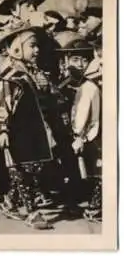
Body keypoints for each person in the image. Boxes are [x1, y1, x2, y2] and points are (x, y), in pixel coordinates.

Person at [0, 19, 58, 230]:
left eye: (37, 45)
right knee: (22, 170)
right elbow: (0, 104)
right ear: (17, 48)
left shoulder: (32, 73)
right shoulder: (11, 77)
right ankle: (32, 212)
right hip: (17, 131)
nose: (36, 50)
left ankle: (9, 203)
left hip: (33, 129)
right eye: (32, 46)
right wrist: (2, 129)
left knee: (32, 169)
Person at [53, 31, 96, 216]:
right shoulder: (62, 84)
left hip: (83, 132)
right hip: (64, 131)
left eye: (84, 60)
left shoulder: (89, 83)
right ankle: (69, 199)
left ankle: (79, 196)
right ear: (66, 61)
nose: (80, 65)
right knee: (68, 165)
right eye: (76, 60)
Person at [72, 34, 102, 223]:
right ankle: (95, 206)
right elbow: (82, 112)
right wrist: (78, 135)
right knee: (100, 170)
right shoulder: (90, 84)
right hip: (95, 133)